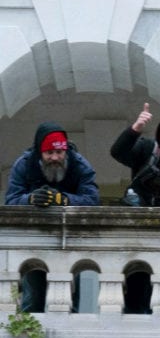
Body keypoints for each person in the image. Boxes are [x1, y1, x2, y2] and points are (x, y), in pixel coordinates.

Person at [9, 122, 100, 313]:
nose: (55, 158)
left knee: (69, 299)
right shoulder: (24, 165)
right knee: (33, 297)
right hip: (34, 240)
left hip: (72, 240)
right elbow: (11, 200)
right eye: (49, 153)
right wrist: (31, 199)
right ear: (39, 152)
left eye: (59, 153)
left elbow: (92, 200)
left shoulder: (80, 165)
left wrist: (63, 199)